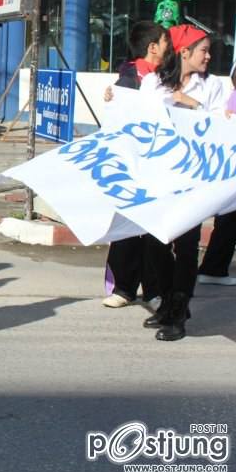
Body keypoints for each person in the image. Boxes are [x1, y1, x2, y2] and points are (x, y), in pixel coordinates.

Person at [138, 24, 225, 341]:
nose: (209, 55)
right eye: (203, 49)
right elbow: (140, 119)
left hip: (192, 177)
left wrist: (192, 104)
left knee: (186, 245)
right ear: (184, 52)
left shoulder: (212, 86)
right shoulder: (153, 82)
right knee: (154, 240)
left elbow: (219, 125)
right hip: (159, 175)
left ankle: (178, 311)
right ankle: (167, 301)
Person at [100, 21, 169, 309]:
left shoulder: (169, 79)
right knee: (128, 226)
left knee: (156, 231)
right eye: (167, 43)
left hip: (160, 167)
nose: (171, 49)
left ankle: (155, 289)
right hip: (133, 165)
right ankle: (124, 287)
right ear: (152, 48)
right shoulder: (129, 79)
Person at [195, 61, 236, 287]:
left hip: (229, 174)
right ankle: (213, 268)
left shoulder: (232, 98)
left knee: (229, 222)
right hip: (232, 175)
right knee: (229, 222)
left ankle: (214, 268)